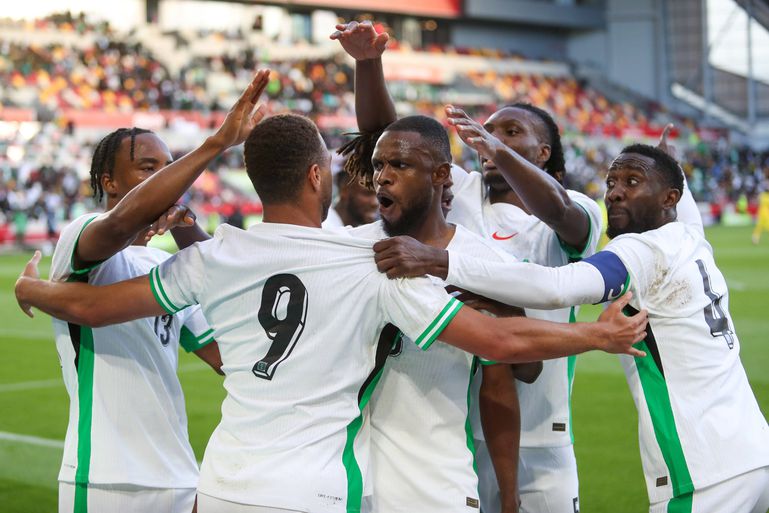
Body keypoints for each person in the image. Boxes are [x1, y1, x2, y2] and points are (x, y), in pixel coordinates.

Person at [16, 110, 648, 513]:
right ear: (320, 177)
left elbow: (96, 308)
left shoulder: (213, 258)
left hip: (221, 482)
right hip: (316, 490)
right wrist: (595, 334)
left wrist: (38, 293)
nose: (376, 179)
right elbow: (497, 341)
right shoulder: (371, 261)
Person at [372, 143, 769, 513]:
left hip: (705, 470)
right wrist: (669, 162)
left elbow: (557, 286)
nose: (613, 193)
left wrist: (441, 262)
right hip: (754, 450)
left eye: (632, 182)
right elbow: (686, 204)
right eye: (612, 182)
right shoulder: (691, 237)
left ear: (669, 199)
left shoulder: (640, 250)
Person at [331, 20, 602, 513]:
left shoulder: (574, 208)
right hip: (462, 417)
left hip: (543, 430)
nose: (491, 138)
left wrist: (490, 147)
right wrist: (369, 65)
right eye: (488, 129)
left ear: (544, 153)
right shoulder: (464, 197)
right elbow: (389, 142)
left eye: (510, 132)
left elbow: (559, 212)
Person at [24, 70, 272, 513]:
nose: (168, 178)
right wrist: (215, 144)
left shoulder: (164, 267)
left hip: (178, 476)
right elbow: (119, 224)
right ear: (109, 180)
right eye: (149, 168)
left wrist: (187, 226)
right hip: (103, 478)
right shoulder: (80, 235)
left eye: (169, 167)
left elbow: (227, 356)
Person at [347, 115, 540, 513]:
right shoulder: (349, 250)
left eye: (398, 165)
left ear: (440, 175)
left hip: (435, 483)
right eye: (379, 165)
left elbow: (513, 376)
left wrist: (508, 494)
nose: (382, 177)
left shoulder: (481, 262)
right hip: (346, 480)